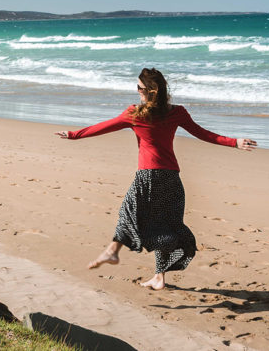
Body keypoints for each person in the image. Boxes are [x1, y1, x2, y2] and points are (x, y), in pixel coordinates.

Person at [56, 67, 257, 290]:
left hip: (148, 176)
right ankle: (159, 276)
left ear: (147, 91)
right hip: (171, 178)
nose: (136, 91)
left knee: (128, 211)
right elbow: (204, 134)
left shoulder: (135, 113)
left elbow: (104, 127)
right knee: (166, 226)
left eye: (138, 88)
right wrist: (234, 142)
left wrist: (74, 135)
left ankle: (112, 252)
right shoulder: (177, 112)